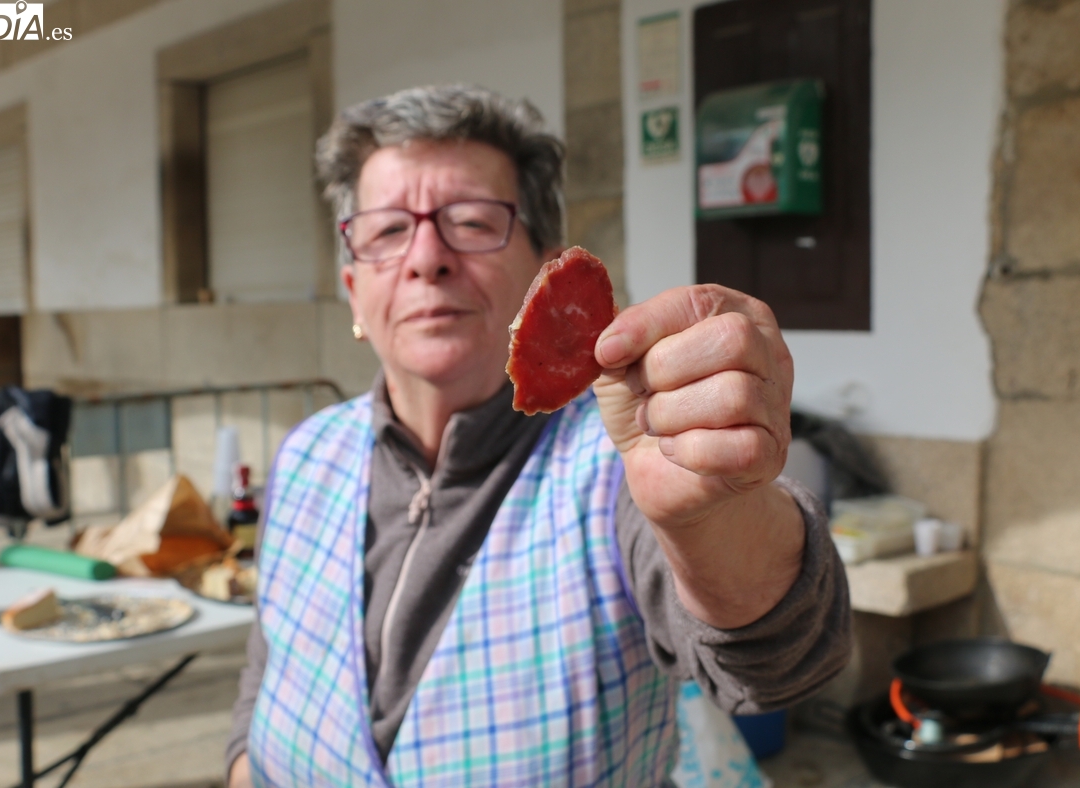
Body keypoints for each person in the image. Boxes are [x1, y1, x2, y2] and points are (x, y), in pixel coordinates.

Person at [226, 85, 850, 787]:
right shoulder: (308, 455)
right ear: (352, 289)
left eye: (470, 221)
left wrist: (717, 512)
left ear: (547, 274)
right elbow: (263, 686)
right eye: (388, 230)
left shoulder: (619, 461)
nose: (426, 257)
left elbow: (778, 664)